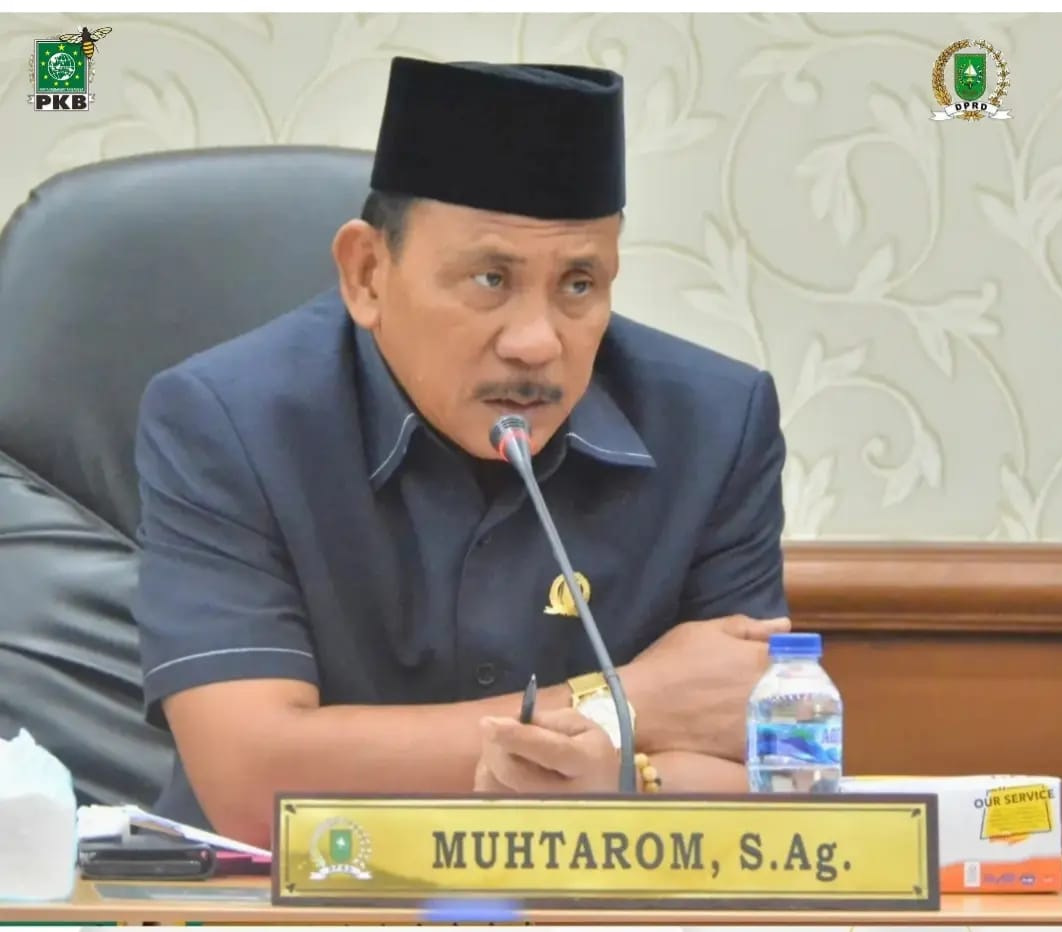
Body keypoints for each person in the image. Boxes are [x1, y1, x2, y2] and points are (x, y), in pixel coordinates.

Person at [132, 56, 791, 849]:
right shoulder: (226, 421)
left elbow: (768, 768)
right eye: (489, 279)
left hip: (584, 894)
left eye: (579, 284)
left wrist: (623, 781)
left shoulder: (715, 424)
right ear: (367, 274)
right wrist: (628, 708)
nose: (537, 342)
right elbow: (254, 781)